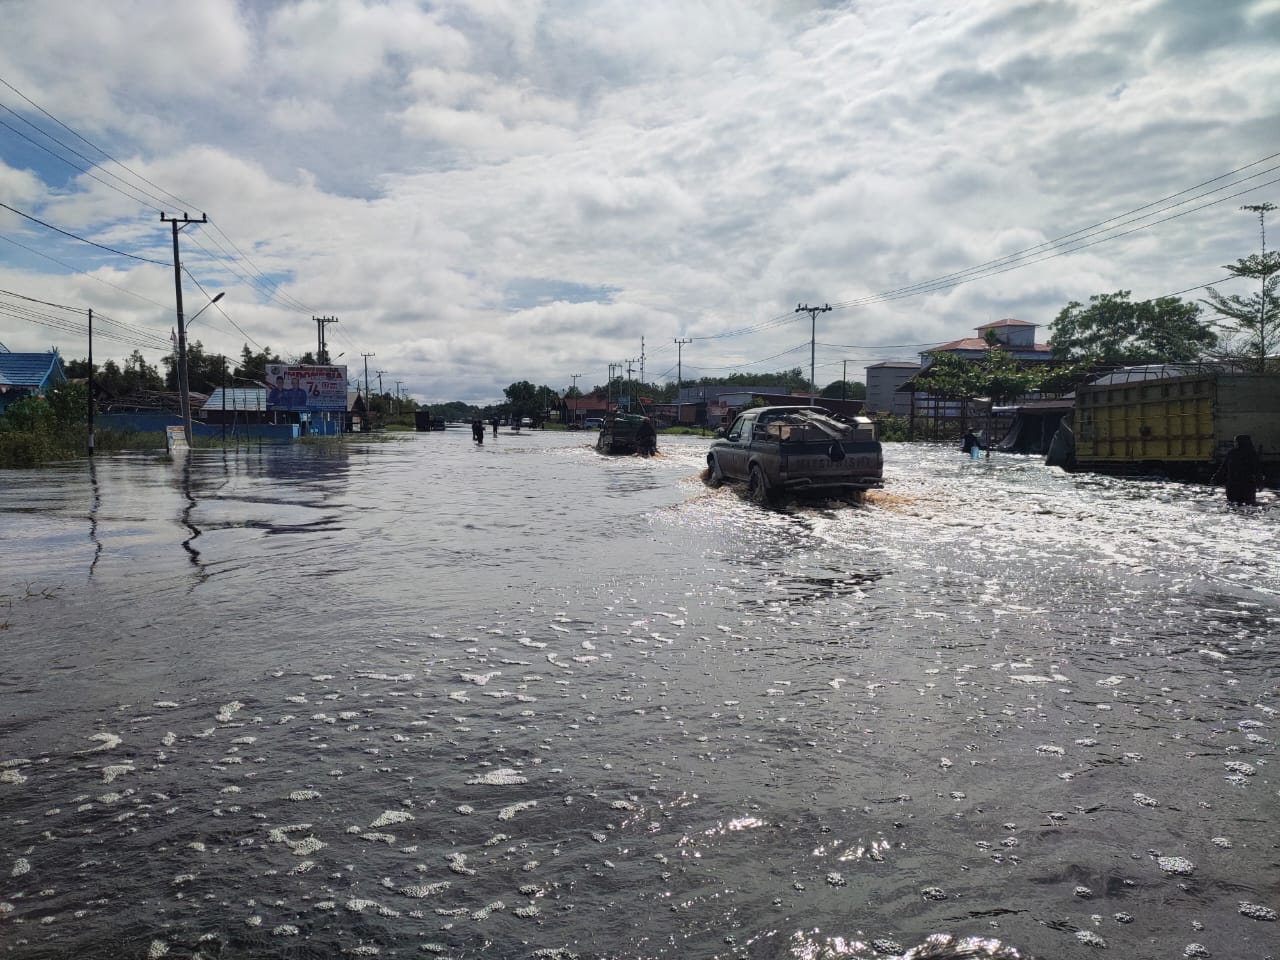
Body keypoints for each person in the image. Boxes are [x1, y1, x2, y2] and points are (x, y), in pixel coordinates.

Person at [1213, 434, 1263, 505]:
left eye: (1236, 442)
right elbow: (1257, 471)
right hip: (1247, 486)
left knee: (1233, 505)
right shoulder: (1252, 454)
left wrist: (1215, 478)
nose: (1235, 444)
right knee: (1248, 505)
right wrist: (1260, 483)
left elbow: (1223, 468)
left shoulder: (1232, 453)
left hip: (1233, 486)